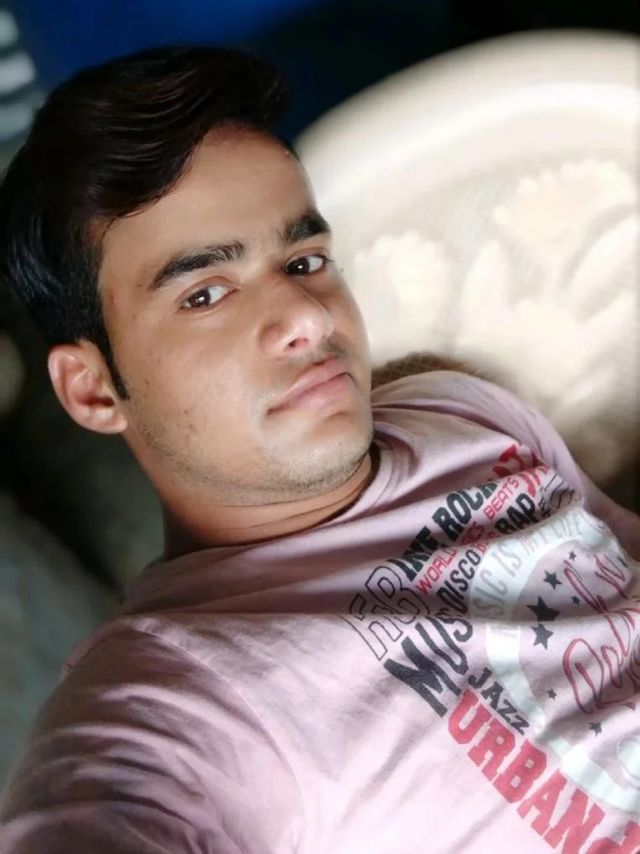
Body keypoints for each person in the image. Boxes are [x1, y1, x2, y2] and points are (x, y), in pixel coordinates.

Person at [0, 45, 639, 854]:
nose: (308, 315)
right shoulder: (183, 693)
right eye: (206, 293)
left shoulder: (460, 411)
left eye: (304, 261)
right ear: (93, 389)